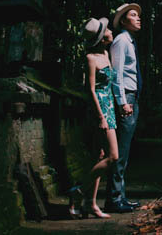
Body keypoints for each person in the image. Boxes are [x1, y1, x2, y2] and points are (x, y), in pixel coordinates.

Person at [69, 17, 119, 219]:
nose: (110, 31)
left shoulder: (106, 53)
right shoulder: (91, 58)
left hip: (110, 107)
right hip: (99, 110)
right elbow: (90, 90)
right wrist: (101, 116)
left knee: (99, 156)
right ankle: (78, 190)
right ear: (101, 37)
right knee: (113, 156)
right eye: (107, 29)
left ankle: (91, 204)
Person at [104, 3, 143, 213]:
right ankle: (114, 199)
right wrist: (122, 102)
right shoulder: (120, 41)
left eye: (138, 15)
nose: (139, 18)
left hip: (132, 98)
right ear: (124, 20)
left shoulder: (130, 41)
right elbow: (116, 74)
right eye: (134, 15)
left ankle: (121, 197)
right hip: (126, 98)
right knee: (119, 151)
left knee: (125, 152)